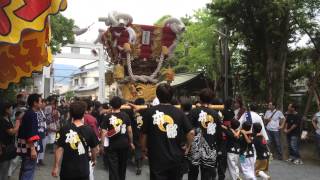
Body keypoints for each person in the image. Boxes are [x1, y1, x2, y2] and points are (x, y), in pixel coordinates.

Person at [141, 84, 195, 180]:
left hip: (157, 157)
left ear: (157, 95)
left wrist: (144, 149)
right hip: (176, 157)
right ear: (172, 96)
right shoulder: (179, 112)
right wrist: (188, 147)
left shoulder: (149, 112)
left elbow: (143, 134)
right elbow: (191, 132)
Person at [52, 101, 99, 180]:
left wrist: (56, 167)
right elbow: (95, 149)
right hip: (83, 169)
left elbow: (59, 149)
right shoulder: (89, 130)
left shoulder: (63, 129)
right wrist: (94, 160)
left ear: (70, 113)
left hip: (67, 170)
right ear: (84, 113)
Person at [187, 88, 221, 180]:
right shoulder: (215, 114)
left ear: (200, 98)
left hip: (195, 147)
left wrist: (186, 146)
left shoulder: (193, 112)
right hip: (210, 147)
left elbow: (188, 130)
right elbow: (219, 134)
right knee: (206, 174)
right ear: (211, 100)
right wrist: (218, 148)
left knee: (193, 172)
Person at [100, 96, 135, 180]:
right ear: (121, 105)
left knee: (113, 168)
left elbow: (103, 132)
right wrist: (131, 142)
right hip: (124, 145)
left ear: (111, 105)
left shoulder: (107, 117)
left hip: (112, 146)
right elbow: (129, 131)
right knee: (122, 166)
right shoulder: (125, 116)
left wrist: (102, 146)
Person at [17, 93, 42, 180]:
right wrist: (32, 149)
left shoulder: (28, 113)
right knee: (28, 171)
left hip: (25, 146)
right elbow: (31, 134)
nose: (41, 103)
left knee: (24, 169)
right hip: (29, 147)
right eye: (40, 101)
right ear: (35, 103)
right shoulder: (32, 114)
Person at [0, 102, 21, 180]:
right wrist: (18, 123)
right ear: (6, 110)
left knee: (6, 168)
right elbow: (12, 132)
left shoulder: (7, 118)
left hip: (8, 147)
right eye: (11, 109)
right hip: (4, 148)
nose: (12, 110)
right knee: (3, 169)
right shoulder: (2, 120)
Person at [217, 98, 234, 180]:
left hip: (222, 130)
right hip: (228, 130)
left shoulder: (221, 112)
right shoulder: (230, 111)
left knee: (222, 152)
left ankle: (221, 174)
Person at [132, 98, 146, 175]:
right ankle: (140, 162)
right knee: (141, 148)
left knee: (138, 148)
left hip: (136, 133)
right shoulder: (146, 111)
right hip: (145, 133)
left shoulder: (134, 112)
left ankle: (139, 166)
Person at [36, 100, 47, 166]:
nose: (44, 105)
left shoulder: (42, 111)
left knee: (42, 146)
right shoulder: (37, 112)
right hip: (38, 131)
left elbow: (44, 121)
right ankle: (36, 161)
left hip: (43, 131)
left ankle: (40, 160)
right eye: (43, 103)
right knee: (38, 146)